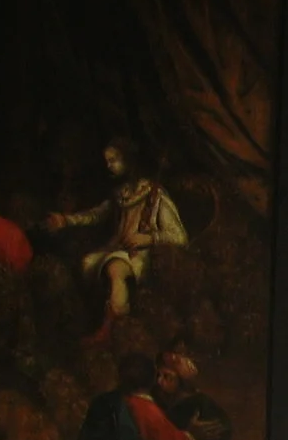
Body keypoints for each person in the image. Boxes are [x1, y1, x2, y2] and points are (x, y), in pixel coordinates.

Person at [43, 140, 186, 336]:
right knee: (87, 262)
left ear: (129, 160)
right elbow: (96, 215)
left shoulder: (154, 194)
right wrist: (66, 220)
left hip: (144, 255)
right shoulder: (121, 193)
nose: (109, 165)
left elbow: (179, 235)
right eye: (107, 161)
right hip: (120, 248)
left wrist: (148, 238)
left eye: (114, 160)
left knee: (115, 268)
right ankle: (93, 323)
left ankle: (113, 328)